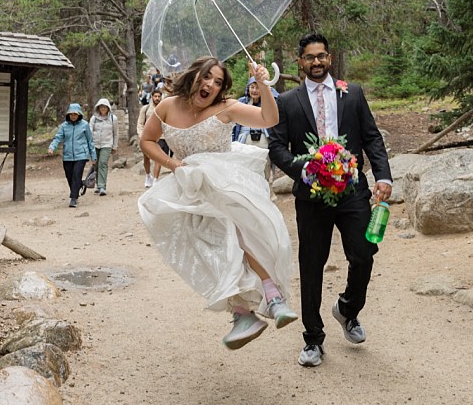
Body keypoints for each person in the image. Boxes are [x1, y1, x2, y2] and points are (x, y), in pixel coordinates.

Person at [137, 56, 298, 350]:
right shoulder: (167, 106)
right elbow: (146, 141)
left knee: (238, 234)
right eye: (207, 77)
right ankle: (242, 313)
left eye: (218, 81)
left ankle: (272, 296)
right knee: (212, 250)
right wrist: (172, 164)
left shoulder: (226, 108)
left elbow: (269, 119)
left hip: (225, 183)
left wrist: (263, 85)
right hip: (191, 188)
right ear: (194, 76)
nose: (211, 85)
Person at [268, 33, 393, 368]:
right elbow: (277, 148)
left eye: (322, 56)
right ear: (300, 62)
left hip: (352, 189)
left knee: (364, 252)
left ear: (330, 58)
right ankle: (313, 339)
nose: (317, 62)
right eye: (310, 57)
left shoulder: (353, 93)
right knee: (311, 264)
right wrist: (305, 169)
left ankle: (348, 309)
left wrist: (383, 176)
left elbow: (371, 137)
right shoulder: (287, 101)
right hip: (311, 195)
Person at [47, 103, 96, 208]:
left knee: (76, 175)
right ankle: (79, 185)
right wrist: (52, 147)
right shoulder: (64, 126)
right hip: (67, 155)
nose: (73, 116)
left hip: (81, 155)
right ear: (68, 115)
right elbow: (57, 138)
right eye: (71, 114)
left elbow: (90, 141)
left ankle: (73, 198)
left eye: (75, 114)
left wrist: (93, 156)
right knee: (69, 176)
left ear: (79, 114)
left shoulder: (85, 125)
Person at [89, 98, 118, 196]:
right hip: (95, 144)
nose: (103, 108)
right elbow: (89, 132)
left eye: (105, 107)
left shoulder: (113, 118)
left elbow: (115, 133)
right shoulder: (94, 118)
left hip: (107, 144)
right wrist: (90, 145)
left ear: (108, 108)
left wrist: (115, 146)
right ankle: (98, 185)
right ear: (98, 108)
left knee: (103, 163)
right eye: (101, 107)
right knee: (96, 164)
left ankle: (102, 186)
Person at [137, 88, 164, 188]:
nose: (157, 98)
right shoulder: (145, 109)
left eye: (159, 96)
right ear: (152, 97)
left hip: (161, 137)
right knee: (146, 158)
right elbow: (140, 123)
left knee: (158, 158)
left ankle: (155, 180)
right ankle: (148, 175)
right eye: (155, 96)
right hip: (148, 137)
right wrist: (141, 135)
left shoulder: (164, 108)